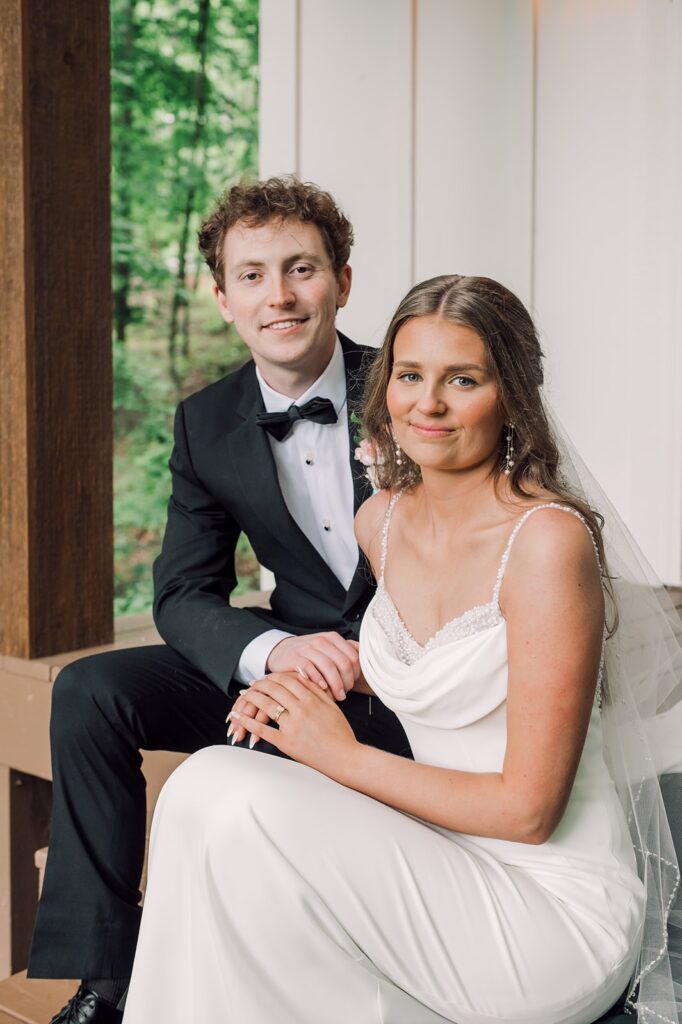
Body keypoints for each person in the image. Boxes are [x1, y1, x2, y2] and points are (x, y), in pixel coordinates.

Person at [121, 274, 681, 1024]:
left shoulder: (546, 542)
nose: (429, 403)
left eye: (464, 380)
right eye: (411, 376)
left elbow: (528, 812)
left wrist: (337, 754)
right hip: (435, 853)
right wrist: (310, 692)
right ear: (384, 387)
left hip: (547, 906)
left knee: (233, 794)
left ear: (511, 395)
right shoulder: (380, 521)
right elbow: (445, 679)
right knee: (200, 788)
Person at [29, 177, 411, 1024]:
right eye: (252, 276)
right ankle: (108, 984)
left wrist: (359, 655)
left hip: (400, 675)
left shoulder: (409, 387)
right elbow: (182, 591)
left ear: (341, 282)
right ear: (223, 298)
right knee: (89, 693)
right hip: (289, 654)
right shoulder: (206, 420)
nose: (277, 295)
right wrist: (273, 654)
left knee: (247, 771)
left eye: (300, 269)